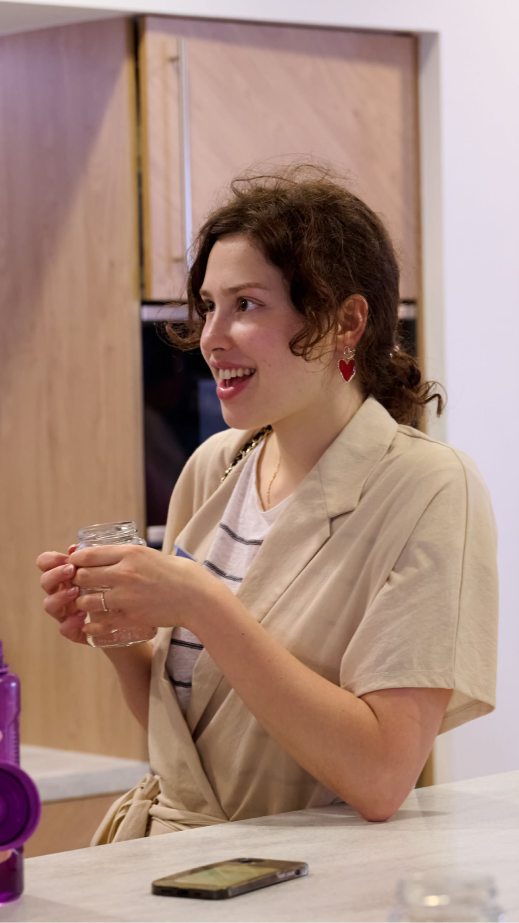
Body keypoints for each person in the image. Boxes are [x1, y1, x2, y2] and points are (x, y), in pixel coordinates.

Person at [37, 165, 498, 840]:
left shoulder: (429, 488)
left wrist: (198, 600)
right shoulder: (214, 469)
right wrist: (115, 631)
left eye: (246, 304)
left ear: (345, 322)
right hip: (170, 866)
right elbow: (195, 745)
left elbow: (379, 776)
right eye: (208, 305)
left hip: (303, 888)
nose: (210, 335)